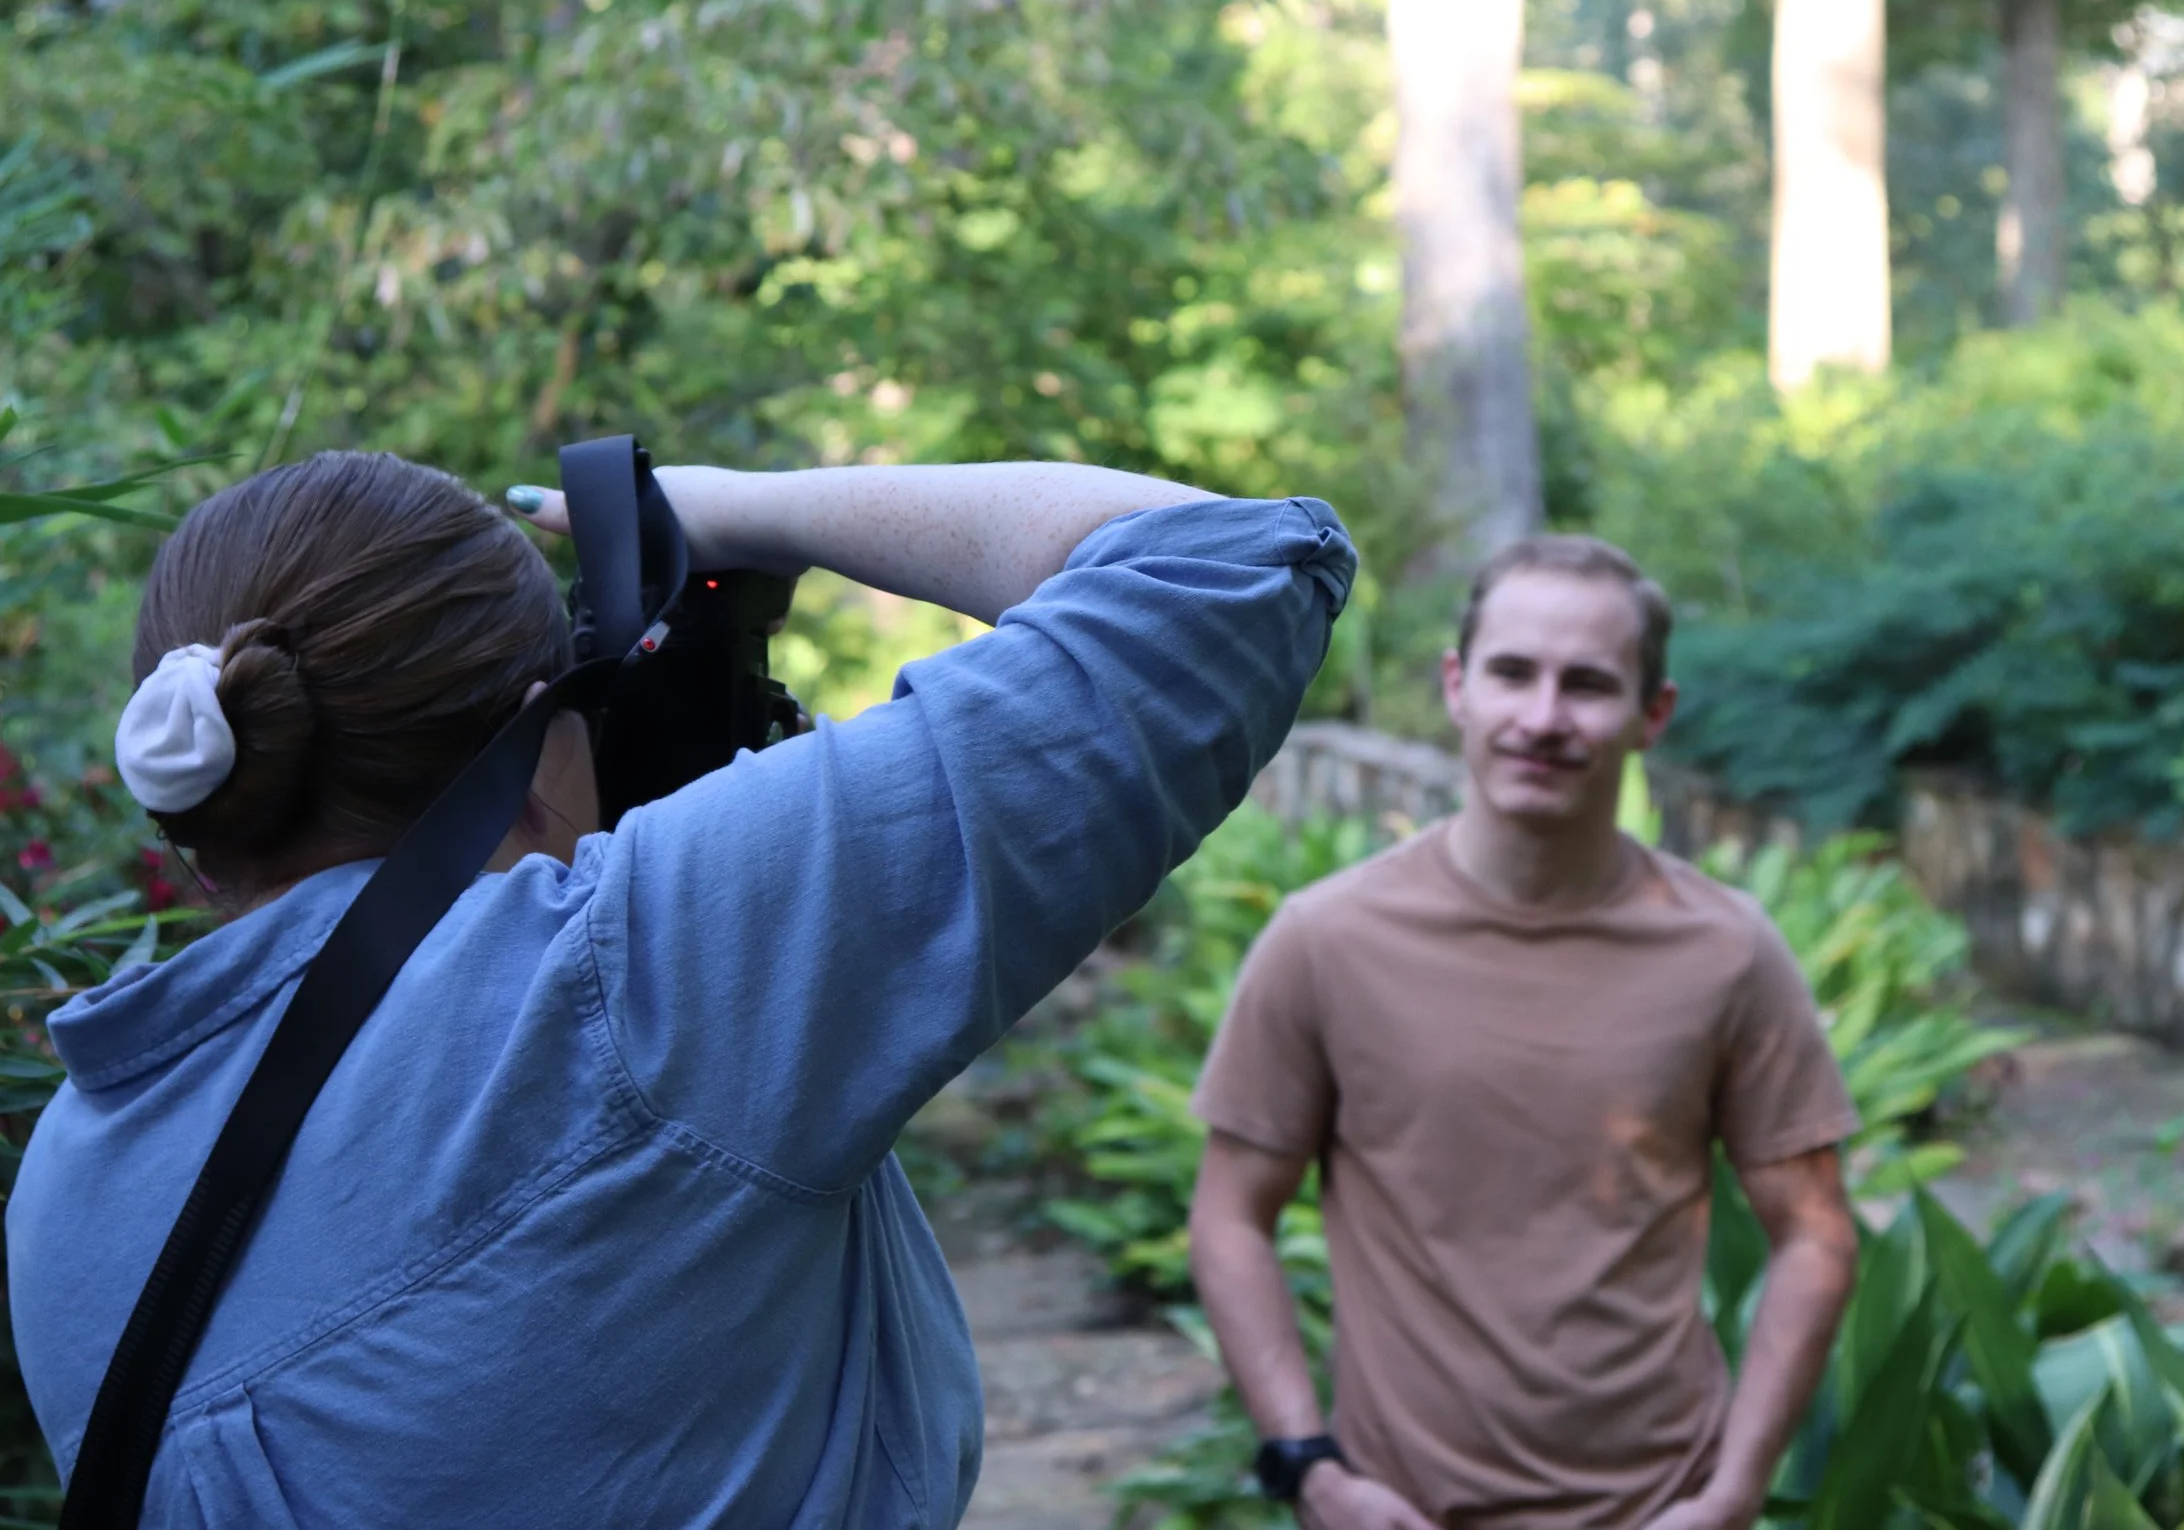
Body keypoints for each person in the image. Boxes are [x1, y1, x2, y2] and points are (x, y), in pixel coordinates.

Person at [8, 450, 1354, 1528]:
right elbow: (1232, 566)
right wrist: (743, 506)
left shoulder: (66, 1172)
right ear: (539, 736)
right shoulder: (619, 978)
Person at [1187, 534, 1860, 1530]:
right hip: (1400, 1511)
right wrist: (1309, 1464)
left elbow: (1813, 1231)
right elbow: (1229, 1214)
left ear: (1651, 714)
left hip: (1660, 1510)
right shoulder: (1326, 940)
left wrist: (1733, 1490)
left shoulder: (1726, 949)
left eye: (1587, 684)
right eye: (1512, 672)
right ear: (1457, 686)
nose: (1542, 718)